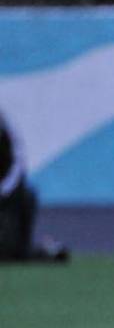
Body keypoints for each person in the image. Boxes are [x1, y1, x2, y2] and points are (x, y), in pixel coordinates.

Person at [0, 109, 68, 262]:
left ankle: (43, 250)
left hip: (7, 198)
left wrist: (4, 191)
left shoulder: (4, 127)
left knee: (10, 252)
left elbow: (17, 162)